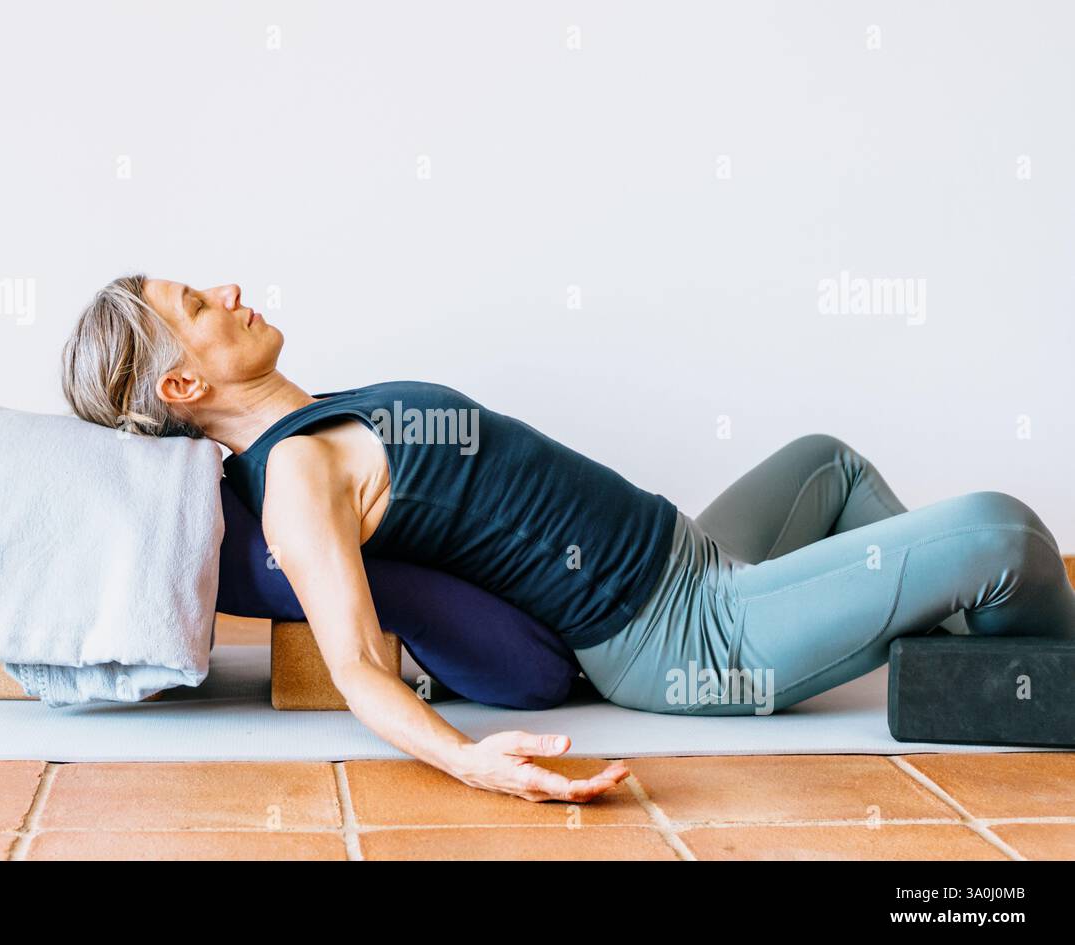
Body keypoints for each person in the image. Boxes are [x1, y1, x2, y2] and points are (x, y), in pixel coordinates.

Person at [61, 275, 1075, 801]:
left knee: (828, 461)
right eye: (199, 306)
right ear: (182, 386)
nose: (228, 291)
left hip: (691, 550)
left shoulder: (318, 412)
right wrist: (471, 764)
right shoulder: (295, 478)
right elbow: (361, 666)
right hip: (685, 637)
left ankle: (960, 672)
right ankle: (1043, 681)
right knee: (1001, 531)